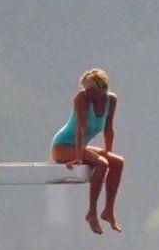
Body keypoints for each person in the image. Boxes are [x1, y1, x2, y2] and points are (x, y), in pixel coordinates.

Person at [51, 68, 124, 235]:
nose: (87, 92)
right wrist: (78, 157)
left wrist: (108, 151)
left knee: (117, 162)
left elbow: (108, 128)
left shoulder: (110, 100)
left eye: (91, 89)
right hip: (62, 146)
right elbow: (80, 129)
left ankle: (108, 211)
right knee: (101, 164)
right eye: (85, 89)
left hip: (80, 147)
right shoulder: (82, 98)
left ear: (102, 88)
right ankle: (91, 212)